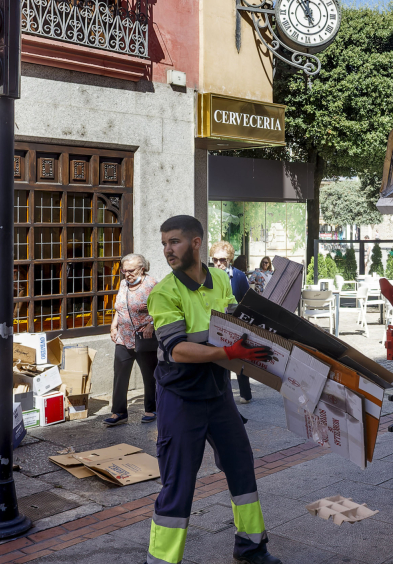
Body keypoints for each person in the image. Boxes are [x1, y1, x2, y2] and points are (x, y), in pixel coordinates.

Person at [146, 215, 281, 564]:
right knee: (178, 483)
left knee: (241, 466)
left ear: (195, 243)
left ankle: (251, 546)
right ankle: (161, 561)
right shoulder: (164, 292)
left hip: (218, 394)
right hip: (180, 398)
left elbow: (236, 325)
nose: (167, 250)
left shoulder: (221, 279)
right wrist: (228, 352)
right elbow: (176, 349)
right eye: (163, 244)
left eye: (173, 242)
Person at [105, 254, 159, 426]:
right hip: (124, 336)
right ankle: (119, 412)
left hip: (144, 337)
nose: (127, 274)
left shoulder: (152, 285)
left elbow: (162, 309)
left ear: (142, 268)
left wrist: (151, 324)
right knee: (120, 375)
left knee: (149, 375)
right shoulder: (123, 284)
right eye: (124, 270)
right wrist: (114, 327)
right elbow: (119, 308)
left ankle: (152, 409)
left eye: (131, 270)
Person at [211, 242, 253, 404]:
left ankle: (245, 393)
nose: (218, 264)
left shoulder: (239, 276)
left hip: (236, 322)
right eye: (215, 260)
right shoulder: (209, 275)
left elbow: (246, 299)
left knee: (239, 357)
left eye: (222, 260)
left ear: (230, 259)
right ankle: (224, 393)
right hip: (217, 323)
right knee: (221, 358)